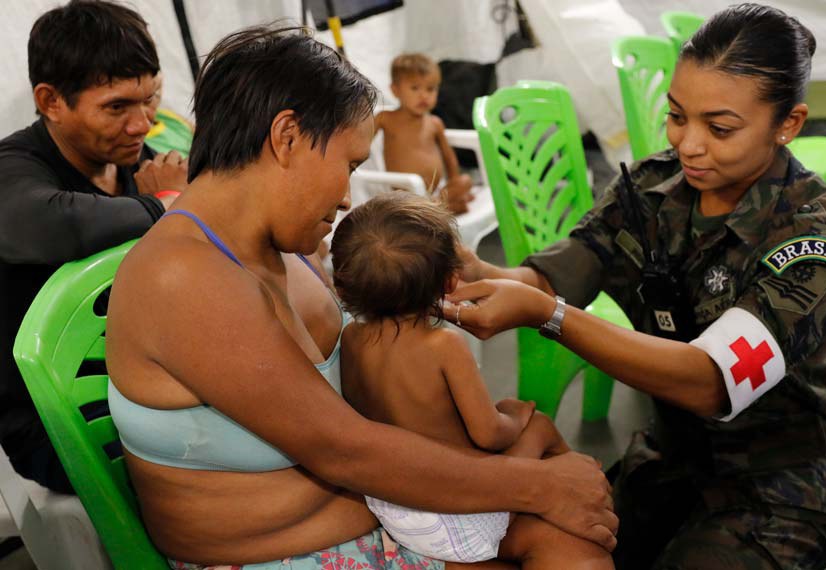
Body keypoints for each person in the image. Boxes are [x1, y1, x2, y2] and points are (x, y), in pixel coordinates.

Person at [105, 25, 616, 570]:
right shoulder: (184, 276)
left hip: (381, 519)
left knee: (571, 539)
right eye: (349, 165)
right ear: (287, 137)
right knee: (573, 544)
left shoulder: (280, 245)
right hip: (290, 555)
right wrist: (536, 484)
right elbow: (343, 448)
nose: (348, 196)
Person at [445, 4, 826, 569]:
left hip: (780, 487)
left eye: (720, 129)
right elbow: (559, 272)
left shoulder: (817, 237)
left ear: (788, 123)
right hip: (672, 458)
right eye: (676, 116)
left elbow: (713, 380)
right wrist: (478, 272)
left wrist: (548, 314)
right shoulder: (652, 188)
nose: (689, 145)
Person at [331, 191, 612, 568]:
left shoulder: (349, 339)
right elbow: (489, 434)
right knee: (539, 426)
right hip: (464, 511)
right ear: (451, 280)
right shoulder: (442, 345)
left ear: (343, 287)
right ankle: (584, 503)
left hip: (398, 513)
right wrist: (516, 417)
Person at [0, 0, 188, 494]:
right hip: (57, 425)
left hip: (149, 393)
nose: (143, 124)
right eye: (116, 107)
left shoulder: (142, 163)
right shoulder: (14, 168)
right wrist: (167, 205)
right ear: (50, 101)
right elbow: (45, 223)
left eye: (150, 98)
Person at [376, 53, 474, 214]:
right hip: (404, 194)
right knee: (418, 204)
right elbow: (361, 138)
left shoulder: (435, 123)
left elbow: (448, 156)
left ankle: (437, 205)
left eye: (430, 89)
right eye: (415, 88)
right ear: (395, 90)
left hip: (435, 192)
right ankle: (444, 206)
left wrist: (454, 180)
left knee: (465, 181)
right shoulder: (386, 118)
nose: (424, 95)